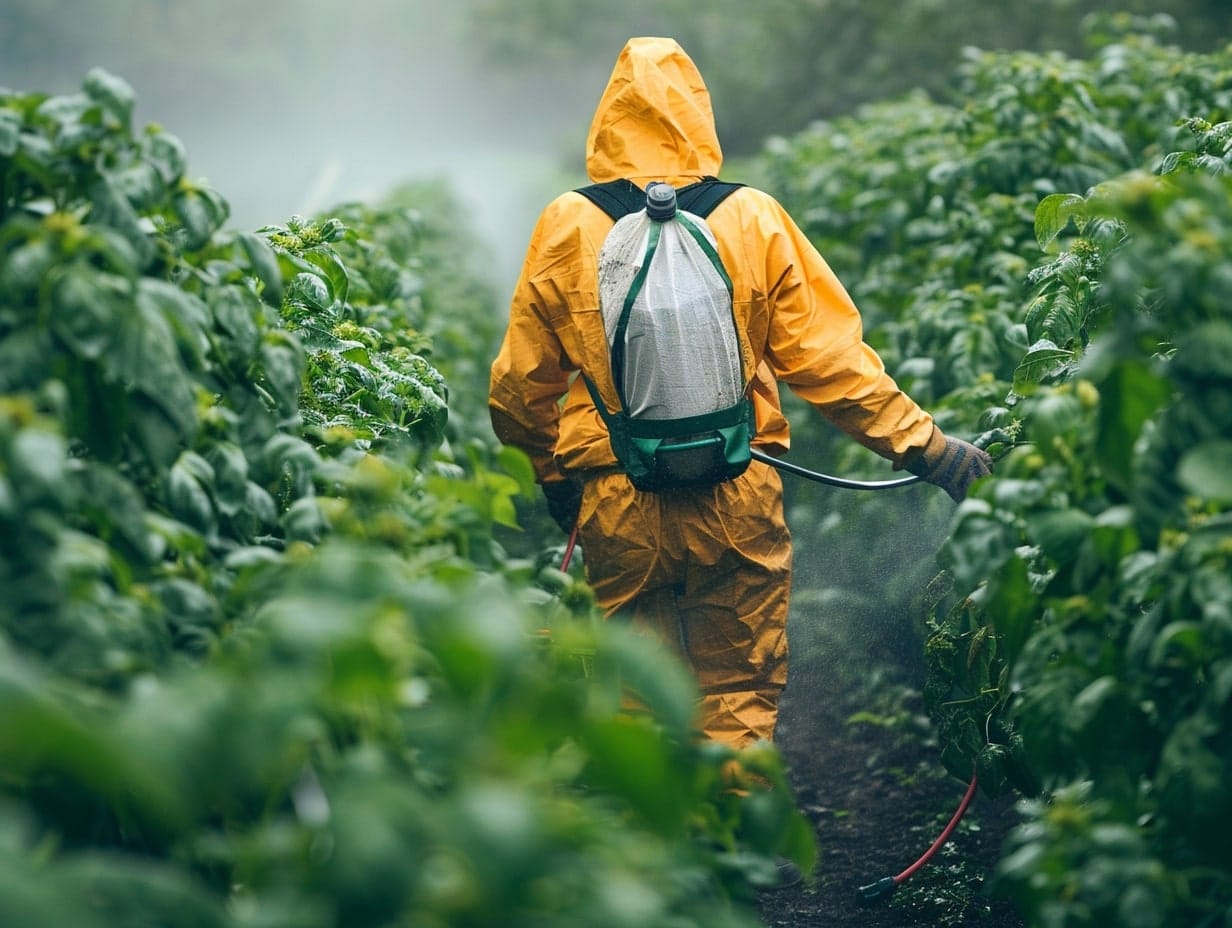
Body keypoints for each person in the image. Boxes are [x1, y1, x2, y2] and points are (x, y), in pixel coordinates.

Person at [489, 36, 991, 751]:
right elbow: (832, 364)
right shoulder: (752, 217)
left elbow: (518, 385)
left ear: (606, 122)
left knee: (634, 685)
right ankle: (733, 833)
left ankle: (657, 847)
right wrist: (930, 451)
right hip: (736, 488)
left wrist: (551, 476)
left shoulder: (566, 224)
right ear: (699, 114)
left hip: (618, 495)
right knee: (737, 688)